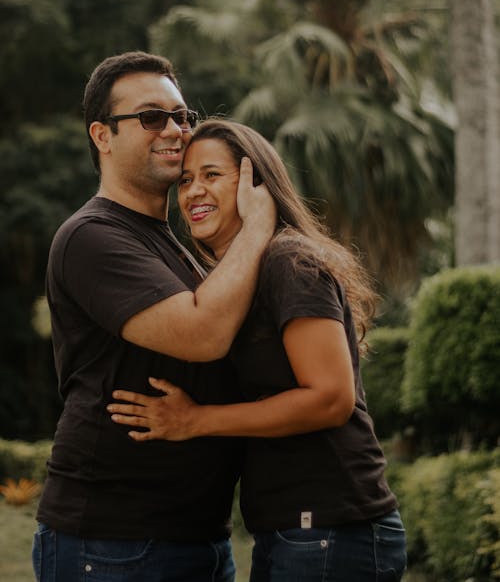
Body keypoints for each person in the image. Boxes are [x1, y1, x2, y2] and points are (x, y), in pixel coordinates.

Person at [107, 119, 407, 582]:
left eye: (212, 175)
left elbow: (331, 398)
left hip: (329, 525)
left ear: (254, 184)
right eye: (185, 180)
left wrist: (195, 420)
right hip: (293, 529)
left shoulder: (289, 262)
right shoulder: (238, 279)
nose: (193, 192)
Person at [33, 53, 276, 582]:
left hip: (197, 537)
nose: (175, 130)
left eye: (181, 116)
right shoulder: (92, 237)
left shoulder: (174, 244)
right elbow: (204, 333)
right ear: (102, 135)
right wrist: (260, 226)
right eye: (151, 117)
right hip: (113, 542)